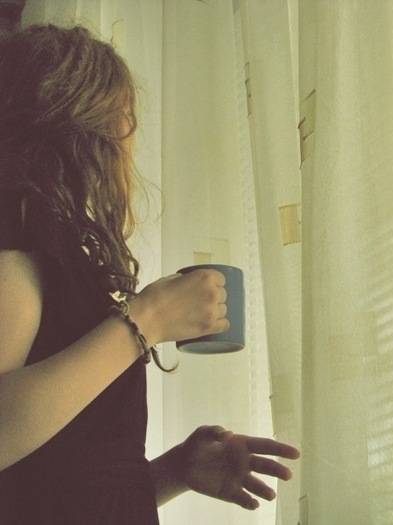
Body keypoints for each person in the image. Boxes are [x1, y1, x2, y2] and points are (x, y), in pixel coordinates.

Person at [0, 24, 299, 524]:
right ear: (90, 129)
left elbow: (56, 483)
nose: (131, 143)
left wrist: (176, 471)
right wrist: (147, 319)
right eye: (125, 118)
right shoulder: (15, 240)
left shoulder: (54, 251)